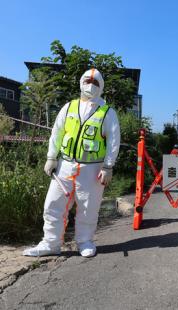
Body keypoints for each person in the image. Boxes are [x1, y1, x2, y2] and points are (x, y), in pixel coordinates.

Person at [23, 68, 120, 258]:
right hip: (64, 165)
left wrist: (108, 167)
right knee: (53, 204)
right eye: (87, 81)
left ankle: (85, 241)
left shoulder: (107, 113)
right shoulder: (68, 107)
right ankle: (50, 243)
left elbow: (113, 142)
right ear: (80, 83)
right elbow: (57, 133)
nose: (90, 85)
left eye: (95, 82)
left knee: (88, 206)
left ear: (102, 87)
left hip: (93, 168)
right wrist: (51, 157)